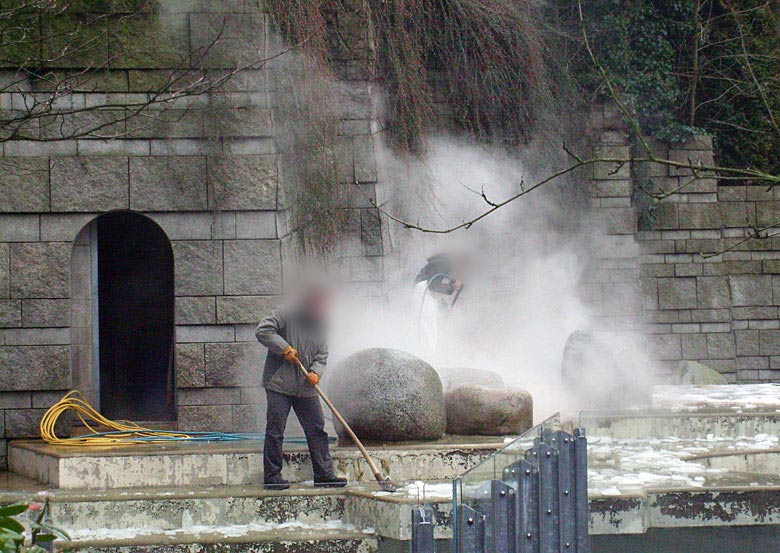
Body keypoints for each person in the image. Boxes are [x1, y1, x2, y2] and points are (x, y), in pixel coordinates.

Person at [255, 285, 347, 490]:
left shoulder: (321, 324)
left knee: (316, 429)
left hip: (306, 386)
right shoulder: (285, 313)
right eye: (319, 304)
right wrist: (283, 347)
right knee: (276, 430)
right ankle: (272, 476)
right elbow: (262, 330)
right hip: (279, 383)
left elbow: (322, 355)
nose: (322, 309)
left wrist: (316, 372)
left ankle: (324, 475)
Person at [413, 252, 464, 354]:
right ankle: (429, 358)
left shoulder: (438, 264)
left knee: (426, 327)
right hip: (424, 291)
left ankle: (427, 353)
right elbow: (433, 285)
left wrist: (444, 307)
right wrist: (452, 287)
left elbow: (434, 292)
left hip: (421, 292)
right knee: (429, 329)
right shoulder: (443, 263)